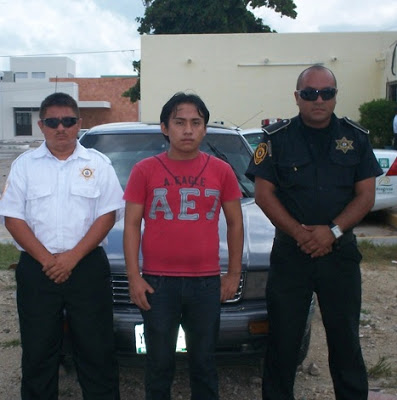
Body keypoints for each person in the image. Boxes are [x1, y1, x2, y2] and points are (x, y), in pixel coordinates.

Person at [246, 65, 383, 400]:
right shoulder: (276, 139)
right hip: (292, 255)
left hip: (339, 255)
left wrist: (332, 232)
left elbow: (366, 195)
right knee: (283, 341)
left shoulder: (356, 138)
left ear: (335, 96)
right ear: (297, 97)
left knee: (345, 339)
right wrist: (301, 234)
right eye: (309, 93)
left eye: (327, 93)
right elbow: (264, 195)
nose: (318, 99)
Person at [0, 92, 123, 399]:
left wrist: (71, 259)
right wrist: (49, 260)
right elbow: (13, 218)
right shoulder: (24, 166)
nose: (61, 128)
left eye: (68, 121)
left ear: (78, 123)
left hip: (86, 267)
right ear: (41, 125)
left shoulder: (98, 164)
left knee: (97, 351)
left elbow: (107, 215)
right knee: (39, 353)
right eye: (53, 122)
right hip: (38, 270)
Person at [123, 92, 243, 400]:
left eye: (195, 122)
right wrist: (134, 277)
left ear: (205, 129)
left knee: (203, 363)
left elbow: (235, 223)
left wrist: (232, 275)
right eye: (179, 122)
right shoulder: (144, 170)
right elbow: (132, 225)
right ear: (165, 128)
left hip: (205, 284)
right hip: (158, 284)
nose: (187, 130)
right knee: (159, 363)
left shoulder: (222, 171)